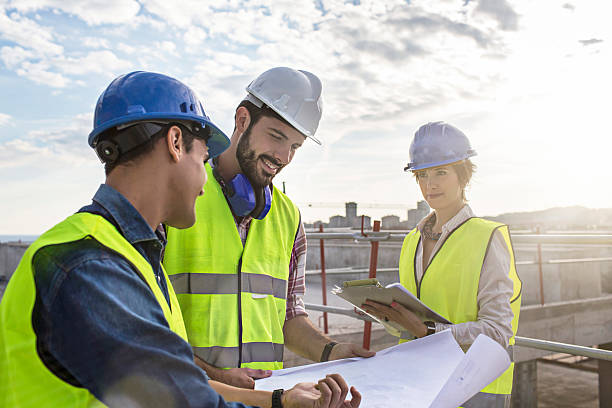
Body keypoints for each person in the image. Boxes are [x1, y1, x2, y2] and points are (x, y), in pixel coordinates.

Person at [0, 71, 361, 408]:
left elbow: (170, 373)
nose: (204, 183)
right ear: (176, 143)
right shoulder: (92, 264)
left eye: (295, 147)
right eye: (203, 155)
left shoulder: (133, 253)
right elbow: (176, 395)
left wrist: (278, 399)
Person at [163, 67, 375, 389]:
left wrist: (332, 351)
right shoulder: (177, 197)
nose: (283, 156)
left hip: (268, 398)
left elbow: (290, 316)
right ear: (242, 120)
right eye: (276, 137)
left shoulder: (288, 217)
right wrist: (214, 376)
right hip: (188, 395)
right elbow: (143, 323)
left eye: (294, 146)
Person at [361, 121, 522, 407]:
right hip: (417, 384)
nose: (430, 184)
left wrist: (430, 333)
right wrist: (387, 315)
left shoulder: (487, 237)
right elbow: (411, 324)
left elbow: (498, 332)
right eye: (422, 175)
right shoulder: (412, 241)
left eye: (441, 172)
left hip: (474, 387)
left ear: (464, 176)